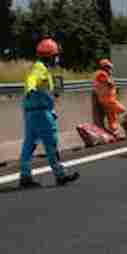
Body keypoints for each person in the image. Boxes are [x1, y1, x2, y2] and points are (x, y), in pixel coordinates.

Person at [20, 38, 81, 188]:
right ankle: (60, 175)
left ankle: (25, 176)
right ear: (50, 56)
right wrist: (31, 89)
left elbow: (36, 82)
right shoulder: (40, 69)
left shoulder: (40, 68)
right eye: (56, 55)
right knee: (51, 144)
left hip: (30, 113)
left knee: (29, 145)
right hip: (42, 114)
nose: (57, 58)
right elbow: (32, 80)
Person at [92, 58, 127, 135]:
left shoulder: (103, 74)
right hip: (108, 100)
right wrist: (110, 77)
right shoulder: (101, 74)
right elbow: (110, 84)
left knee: (112, 117)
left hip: (107, 100)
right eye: (108, 67)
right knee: (124, 111)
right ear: (104, 67)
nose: (110, 69)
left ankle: (115, 132)